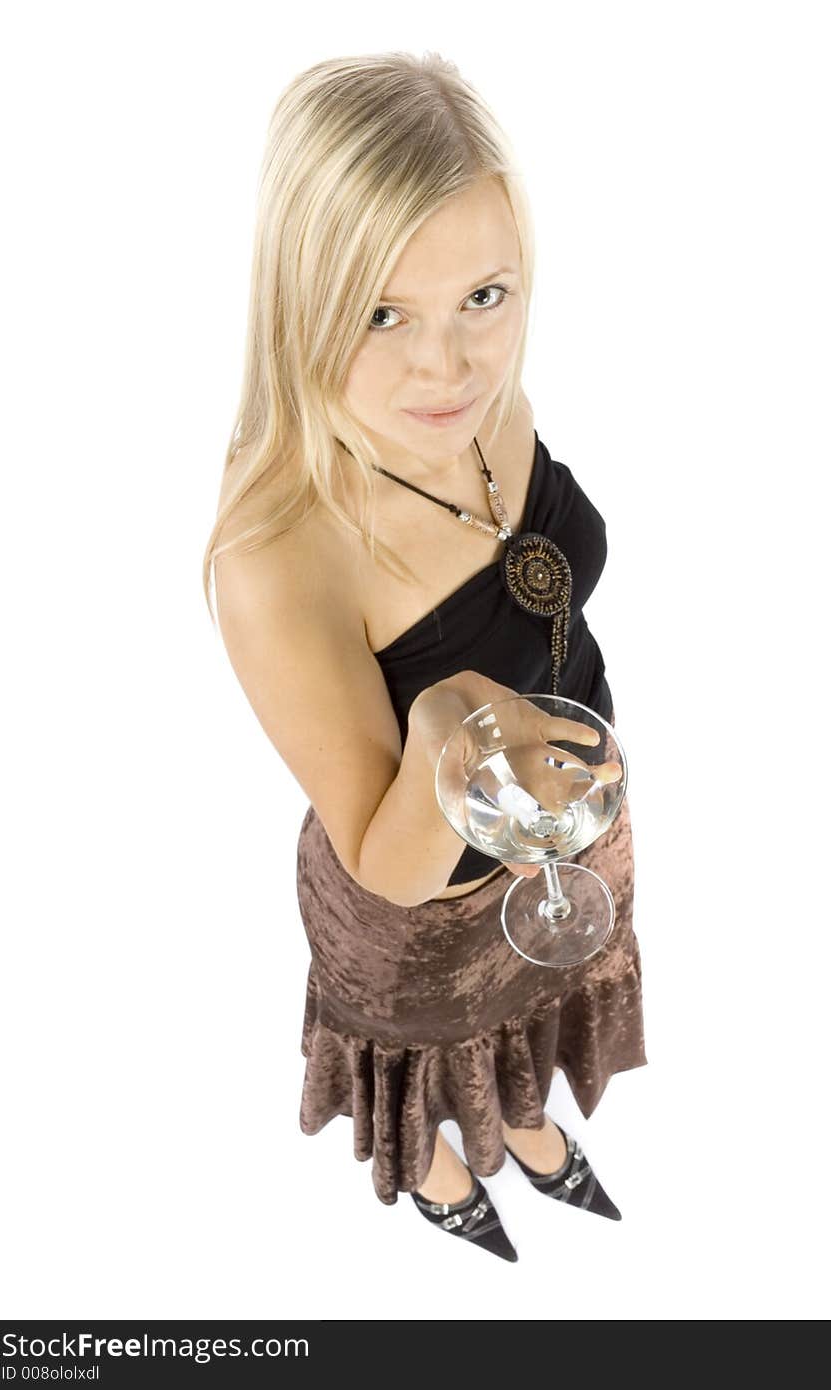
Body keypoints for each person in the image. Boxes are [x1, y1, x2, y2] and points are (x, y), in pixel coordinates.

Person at [203, 50, 647, 1263]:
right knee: (435, 1057)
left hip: (558, 838)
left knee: (531, 1028)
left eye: (483, 298)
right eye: (379, 313)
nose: (446, 368)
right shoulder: (273, 553)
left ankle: (528, 1127)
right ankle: (438, 1162)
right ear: (300, 297)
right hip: (426, 910)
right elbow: (387, 867)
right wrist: (449, 725)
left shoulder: (479, 401)